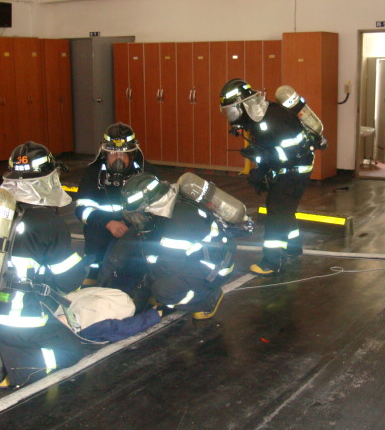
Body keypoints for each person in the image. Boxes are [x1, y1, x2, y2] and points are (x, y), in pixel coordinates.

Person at [0, 141, 92, 388]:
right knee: (70, 350)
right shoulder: (48, 223)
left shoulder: (0, 212)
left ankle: (12, 340)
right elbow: (67, 280)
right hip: (16, 319)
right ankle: (5, 360)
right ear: (49, 179)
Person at [117, 172, 250, 319]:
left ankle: (208, 300)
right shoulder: (171, 202)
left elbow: (169, 267)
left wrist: (148, 281)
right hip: (202, 254)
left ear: (148, 204)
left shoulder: (180, 222)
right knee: (156, 273)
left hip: (214, 267)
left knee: (163, 291)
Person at [219, 79, 316, 276]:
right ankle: (293, 247)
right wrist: (261, 170)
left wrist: (261, 157)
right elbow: (272, 149)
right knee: (281, 206)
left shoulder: (271, 119)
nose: (231, 117)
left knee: (278, 210)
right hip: (288, 168)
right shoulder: (258, 118)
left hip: (295, 169)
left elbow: (291, 152)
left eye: (231, 111)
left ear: (242, 106)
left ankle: (271, 262)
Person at [75, 122, 155, 288]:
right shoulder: (93, 174)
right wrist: (107, 223)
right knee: (94, 235)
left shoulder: (147, 173)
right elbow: (82, 209)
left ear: (132, 155)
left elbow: (160, 205)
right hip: (102, 231)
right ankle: (94, 275)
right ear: (105, 153)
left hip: (135, 230)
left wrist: (138, 221)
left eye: (124, 154)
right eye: (113, 153)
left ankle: (144, 277)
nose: (118, 159)